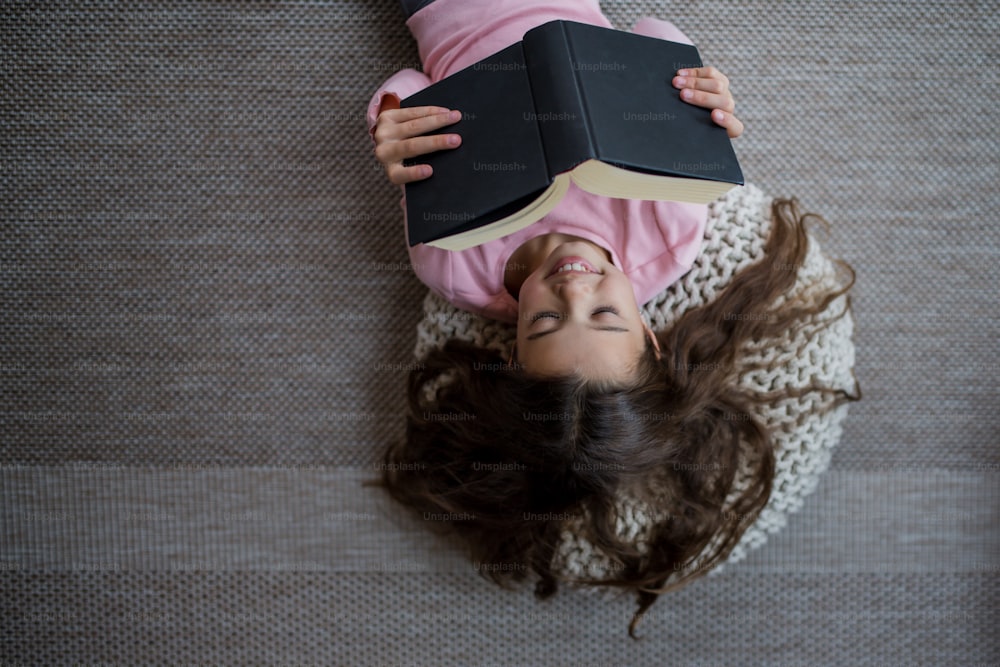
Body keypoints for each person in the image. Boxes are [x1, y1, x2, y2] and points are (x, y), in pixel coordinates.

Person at [367, 0, 858, 637]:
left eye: (546, 321)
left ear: (511, 352)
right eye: (604, 314)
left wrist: (392, 124)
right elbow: (652, 36)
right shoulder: (669, 228)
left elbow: (409, 87)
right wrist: (692, 89)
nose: (573, 288)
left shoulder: (454, 265)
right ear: (650, 332)